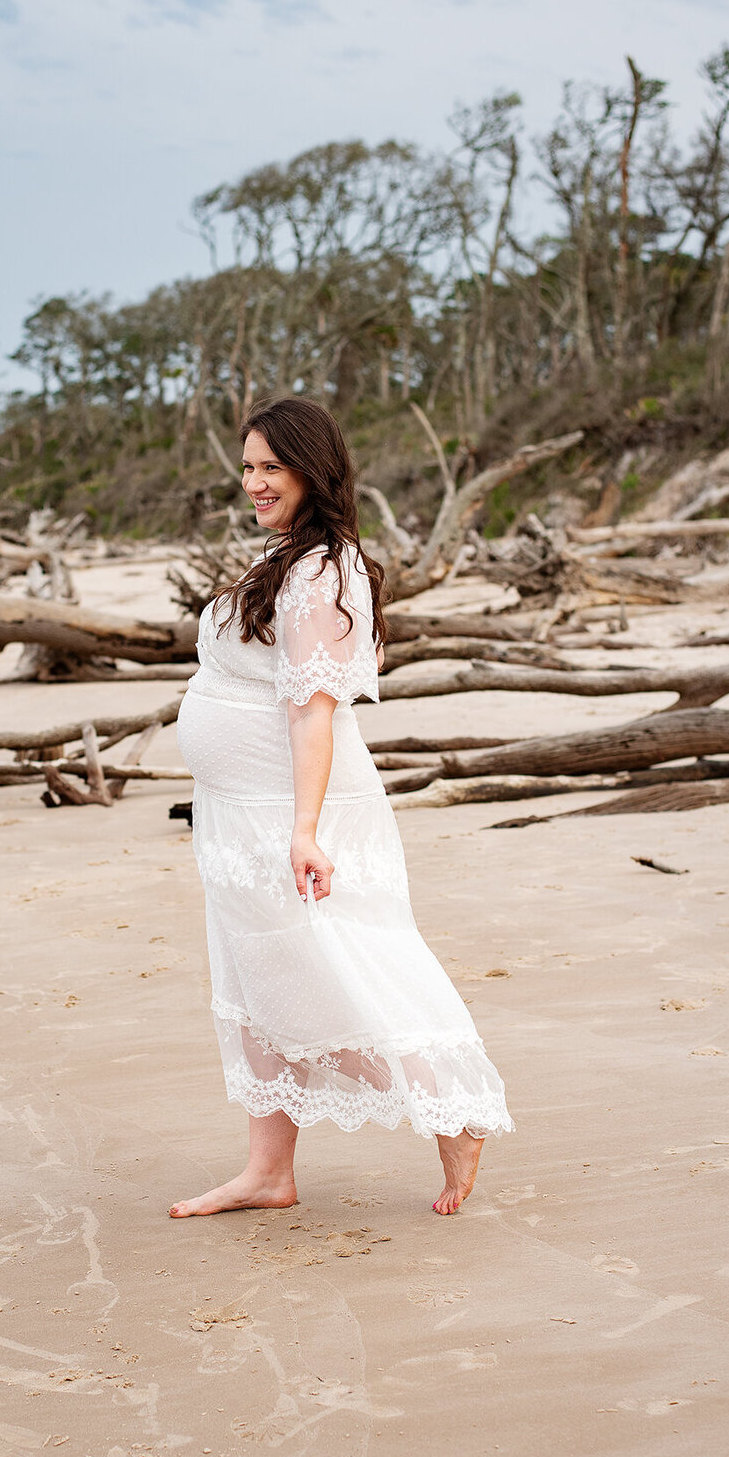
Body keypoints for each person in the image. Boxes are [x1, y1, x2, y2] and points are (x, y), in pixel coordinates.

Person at [171, 397, 512, 1219]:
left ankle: (454, 1112)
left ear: (310, 472)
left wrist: (303, 831)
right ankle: (268, 1171)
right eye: (247, 466)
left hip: (291, 813)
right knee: (261, 983)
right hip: (238, 814)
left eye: (270, 468)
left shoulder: (323, 570)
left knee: (335, 975)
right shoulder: (288, 557)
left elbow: (312, 710)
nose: (253, 482)